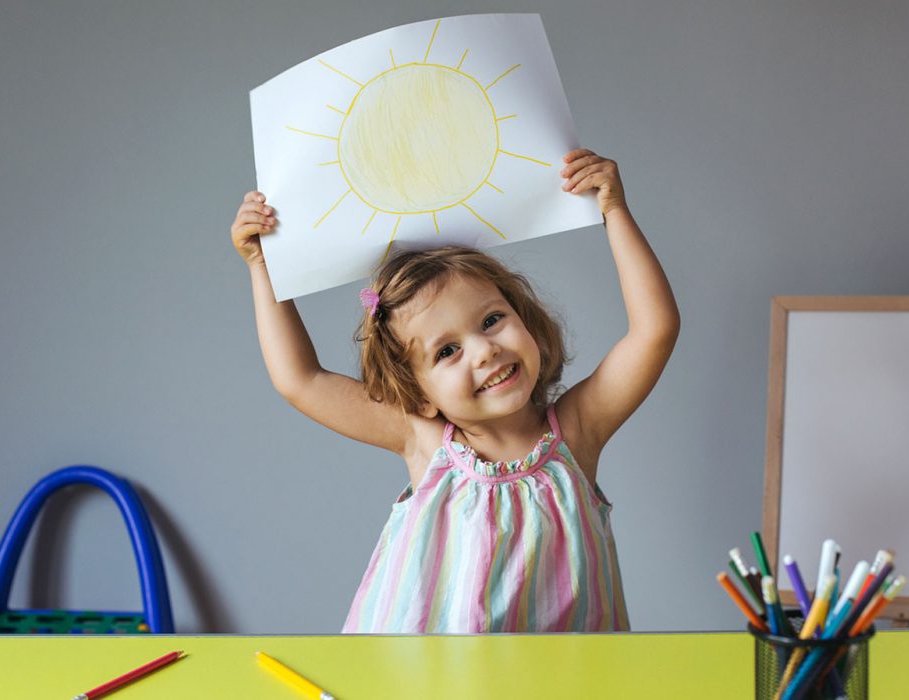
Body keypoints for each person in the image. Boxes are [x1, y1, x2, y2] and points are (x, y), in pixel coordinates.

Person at [230, 148, 679, 633]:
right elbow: (301, 379)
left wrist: (614, 210)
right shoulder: (422, 438)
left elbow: (654, 328)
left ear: (524, 319)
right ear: (418, 393)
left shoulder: (576, 432)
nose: (484, 351)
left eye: (491, 320)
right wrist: (262, 264)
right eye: (446, 352)